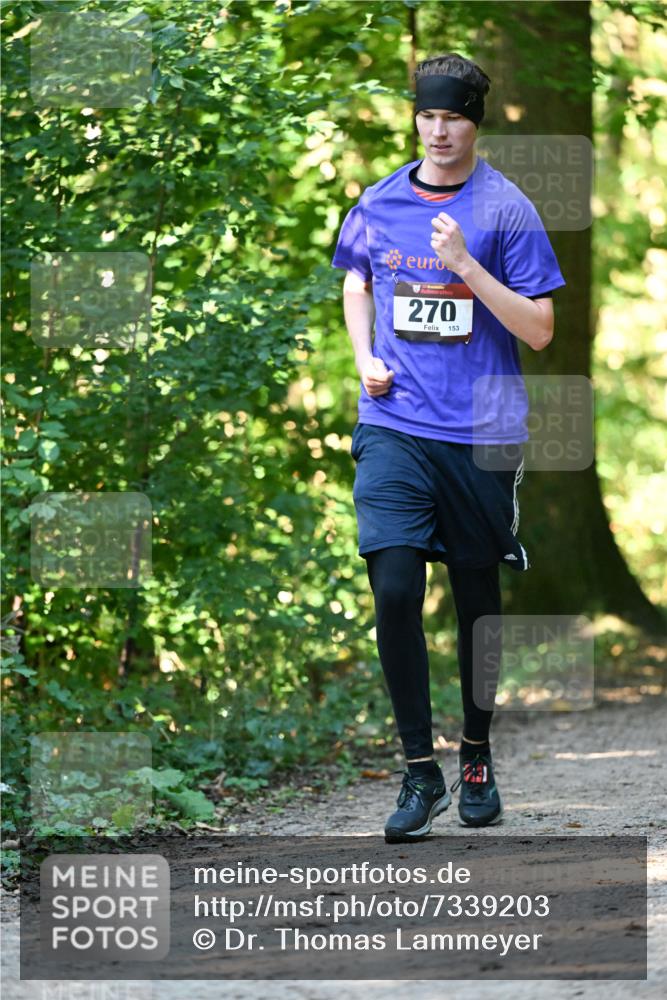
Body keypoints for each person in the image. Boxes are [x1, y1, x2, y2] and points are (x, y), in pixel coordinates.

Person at [331, 52, 566, 843]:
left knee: (477, 606)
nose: (438, 130)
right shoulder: (378, 200)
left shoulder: (505, 209)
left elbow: (538, 328)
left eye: (452, 117)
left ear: (474, 121)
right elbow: (357, 279)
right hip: (394, 425)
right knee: (394, 586)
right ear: (416, 118)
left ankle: (474, 755)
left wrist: (465, 264)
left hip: (480, 432)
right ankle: (416, 771)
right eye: (427, 116)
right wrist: (363, 356)